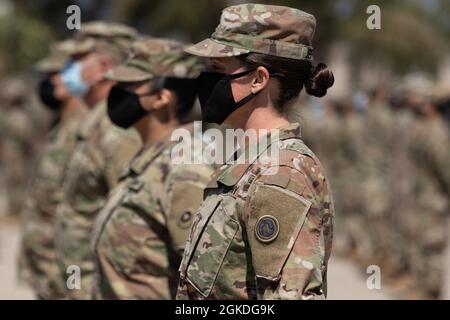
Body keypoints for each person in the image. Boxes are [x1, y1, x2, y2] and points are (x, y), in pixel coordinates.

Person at [177, 4, 335, 300]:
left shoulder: (281, 175)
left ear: (257, 79)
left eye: (217, 69)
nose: (205, 78)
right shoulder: (252, 162)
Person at [92, 38, 216, 299]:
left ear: (162, 97)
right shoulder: (148, 160)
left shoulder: (185, 170)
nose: (118, 91)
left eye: (130, 85)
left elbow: (204, 283)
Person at [54, 22, 141, 299]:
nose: (67, 68)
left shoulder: (117, 131)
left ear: (103, 66)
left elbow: (130, 224)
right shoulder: (93, 123)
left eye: (77, 61)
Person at [18, 39, 87, 299]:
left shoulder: (85, 129)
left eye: (55, 74)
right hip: (49, 267)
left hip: (67, 266)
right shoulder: (61, 124)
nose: (50, 82)